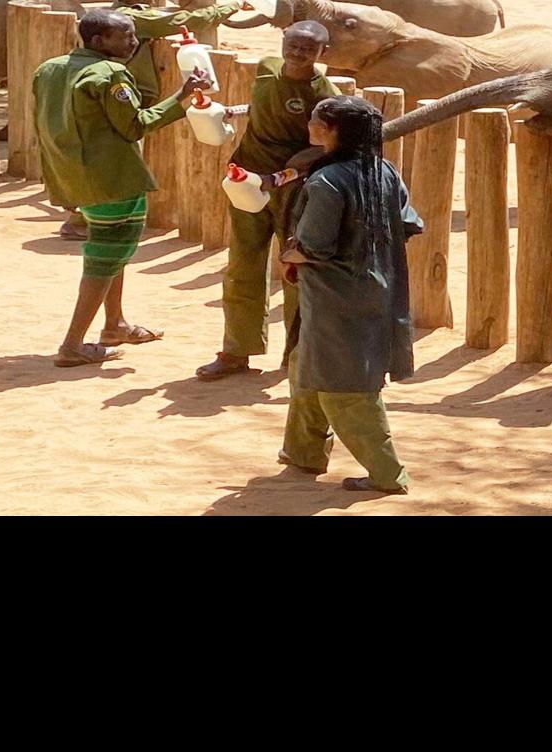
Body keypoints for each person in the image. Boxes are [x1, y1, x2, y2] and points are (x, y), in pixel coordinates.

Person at [34, 7, 211, 367]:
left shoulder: (49, 69)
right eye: (126, 36)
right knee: (104, 258)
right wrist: (183, 97)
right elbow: (135, 126)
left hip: (73, 175)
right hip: (112, 179)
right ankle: (72, 345)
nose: (133, 42)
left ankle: (115, 324)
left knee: (110, 252)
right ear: (99, 41)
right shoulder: (110, 74)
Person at [277, 96, 421, 495]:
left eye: (316, 119)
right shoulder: (385, 172)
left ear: (334, 130)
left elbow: (313, 246)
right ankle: (303, 452)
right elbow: (409, 224)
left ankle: (387, 474)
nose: (309, 122)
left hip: (333, 297)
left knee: (345, 386)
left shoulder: (326, 181)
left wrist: (289, 254)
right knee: (306, 368)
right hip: (377, 285)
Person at [196, 19, 340, 381]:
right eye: (292, 44)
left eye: (308, 48)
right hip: (246, 182)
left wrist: (285, 174)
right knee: (242, 264)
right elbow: (261, 106)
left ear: (325, 52)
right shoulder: (265, 69)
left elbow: (326, 146)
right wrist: (227, 113)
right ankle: (236, 350)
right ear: (282, 42)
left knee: (295, 269)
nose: (297, 52)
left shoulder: (325, 95)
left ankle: (297, 355)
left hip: (293, 191)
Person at [57, 0, 247, 240]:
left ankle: (88, 218)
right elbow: (185, 21)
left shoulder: (115, 15)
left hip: (120, 103)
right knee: (116, 162)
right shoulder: (129, 20)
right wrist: (232, 6)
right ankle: (84, 221)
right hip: (126, 104)